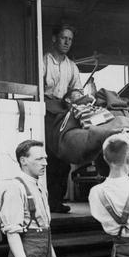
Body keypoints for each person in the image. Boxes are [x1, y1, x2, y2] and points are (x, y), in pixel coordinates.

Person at [43, 24, 84, 213]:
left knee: (64, 158)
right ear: (54, 39)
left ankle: (57, 202)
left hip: (63, 112)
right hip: (45, 112)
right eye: (63, 38)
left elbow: (76, 90)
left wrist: (75, 97)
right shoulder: (44, 60)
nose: (67, 42)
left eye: (70, 39)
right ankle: (47, 202)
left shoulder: (72, 66)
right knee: (49, 157)